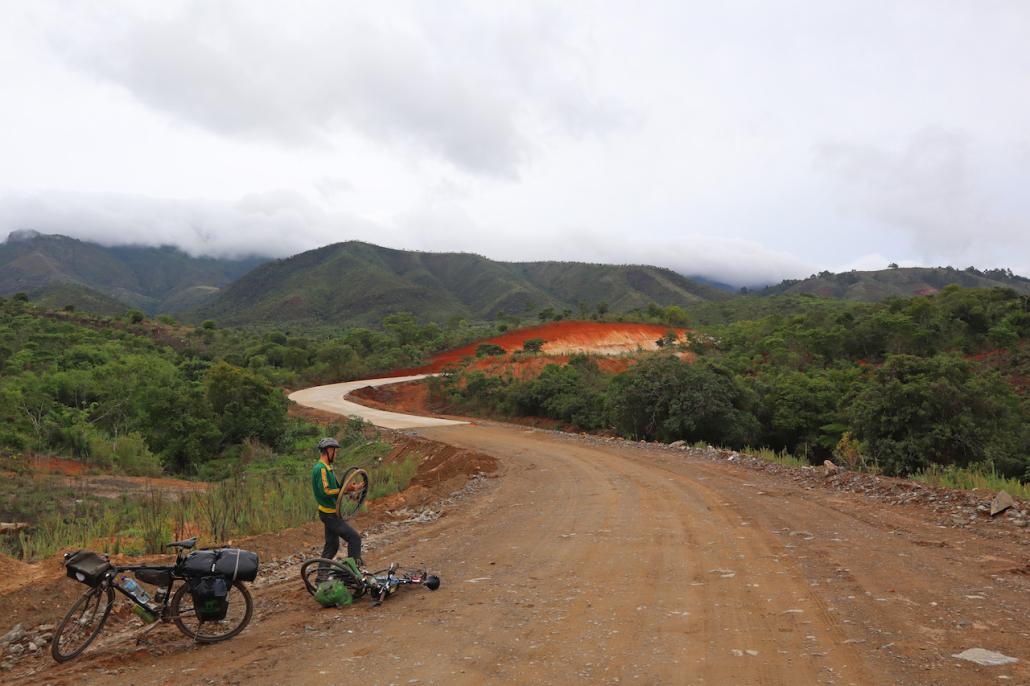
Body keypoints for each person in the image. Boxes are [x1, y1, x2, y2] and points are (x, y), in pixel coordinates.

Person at [312, 437, 364, 570]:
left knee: (331, 546)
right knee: (354, 539)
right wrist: (347, 489)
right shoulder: (321, 469)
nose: (336, 454)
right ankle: (353, 574)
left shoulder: (328, 468)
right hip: (329, 515)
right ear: (329, 450)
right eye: (335, 451)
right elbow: (326, 491)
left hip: (330, 513)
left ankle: (321, 578)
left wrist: (352, 489)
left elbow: (338, 490)